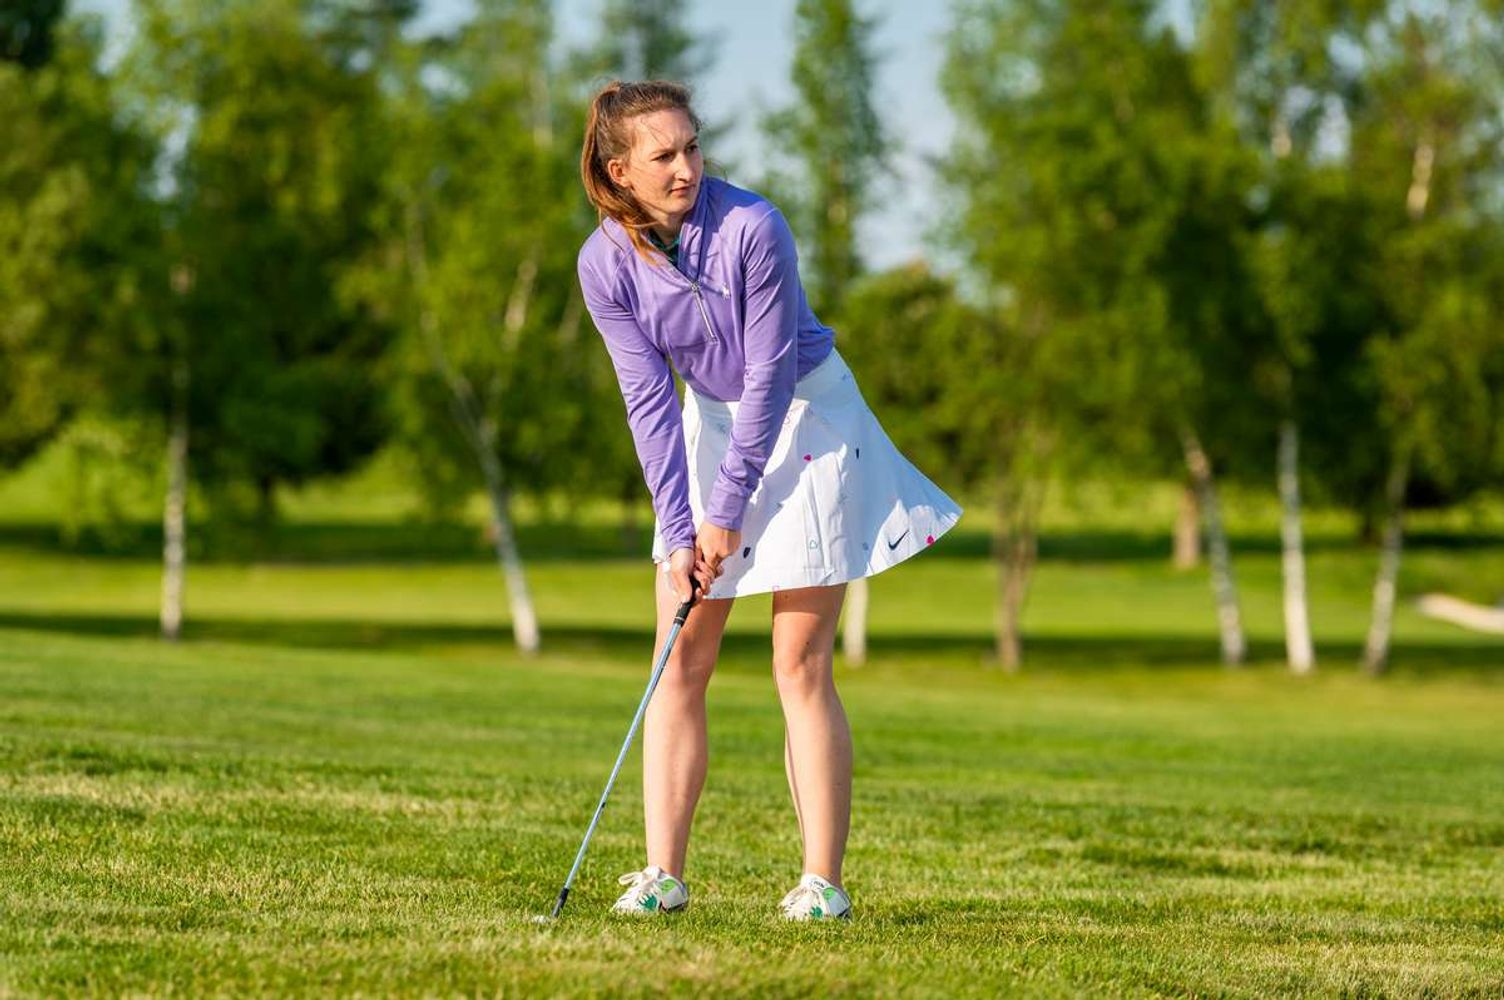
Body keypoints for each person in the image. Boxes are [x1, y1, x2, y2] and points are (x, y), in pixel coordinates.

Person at [576, 79, 961, 921]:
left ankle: (822, 883)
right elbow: (648, 402)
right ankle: (662, 875)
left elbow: (768, 377)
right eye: (664, 155)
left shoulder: (754, 226)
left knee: (798, 660)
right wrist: (681, 529)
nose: (687, 168)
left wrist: (726, 511)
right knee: (679, 655)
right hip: (711, 421)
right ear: (619, 170)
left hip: (807, 418)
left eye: (692, 147)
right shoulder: (603, 264)